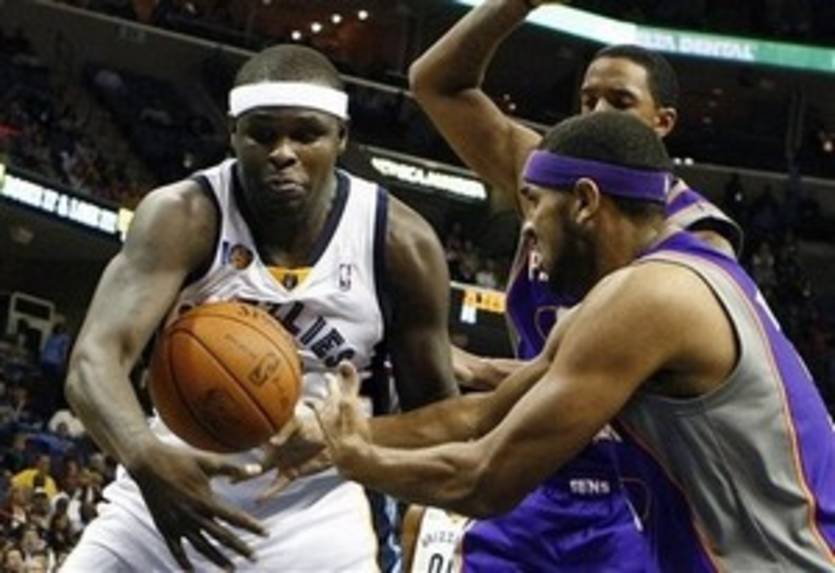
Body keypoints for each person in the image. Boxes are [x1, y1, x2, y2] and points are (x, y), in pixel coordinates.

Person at [303, 111, 835, 572]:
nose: (527, 227)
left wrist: (361, 463)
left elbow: (487, 480)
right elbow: (482, 415)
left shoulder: (653, 297)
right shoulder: (646, 288)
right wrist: (328, 439)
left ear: (584, 201)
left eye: (534, 202)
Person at [63, 44, 457, 572]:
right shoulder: (184, 215)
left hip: (316, 516)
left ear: (341, 136)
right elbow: (94, 360)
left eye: (306, 134)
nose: (283, 152)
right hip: (163, 488)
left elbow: (443, 418)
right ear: (233, 133)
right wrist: (144, 456)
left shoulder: (399, 242)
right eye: (263, 134)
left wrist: (346, 438)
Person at [405, 0, 742, 570]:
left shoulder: (698, 242)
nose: (598, 112)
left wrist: (480, 370)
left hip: (635, 493)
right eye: (588, 100)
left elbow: (610, 386)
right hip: (529, 473)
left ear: (662, 123)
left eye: (620, 102)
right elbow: (435, 83)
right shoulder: (543, 173)